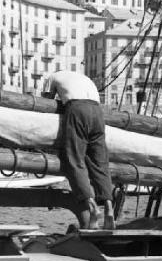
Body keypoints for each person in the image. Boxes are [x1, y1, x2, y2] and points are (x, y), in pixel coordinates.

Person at [43, 71, 114, 230]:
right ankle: (109, 207)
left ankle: (92, 206)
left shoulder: (52, 78)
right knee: (100, 163)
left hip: (77, 109)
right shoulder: (83, 77)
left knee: (75, 160)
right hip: (97, 112)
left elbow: (45, 102)